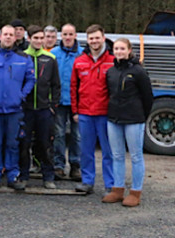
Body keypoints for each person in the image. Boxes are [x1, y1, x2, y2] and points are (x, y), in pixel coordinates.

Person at [0, 25, 35, 191]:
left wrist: (21, 95)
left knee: (13, 144)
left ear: (15, 38)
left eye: (11, 35)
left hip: (15, 110)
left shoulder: (24, 58)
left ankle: (12, 175)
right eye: (6, 34)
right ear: (0, 36)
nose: (8, 37)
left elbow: (31, 79)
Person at [103, 38, 153, 207]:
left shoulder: (138, 71)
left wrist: (142, 116)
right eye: (116, 48)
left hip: (133, 119)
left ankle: (135, 192)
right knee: (117, 155)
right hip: (114, 119)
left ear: (129, 50)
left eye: (122, 48)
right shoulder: (111, 72)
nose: (119, 51)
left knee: (136, 156)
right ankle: (117, 190)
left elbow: (148, 97)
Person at [71, 24, 115, 194]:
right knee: (86, 150)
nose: (94, 41)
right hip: (85, 113)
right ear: (87, 40)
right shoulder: (79, 61)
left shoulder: (112, 61)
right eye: (91, 39)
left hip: (105, 114)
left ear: (103, 38)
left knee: (108, 152)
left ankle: (110, 184)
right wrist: (75, 111)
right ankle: (87, 181)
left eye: (97, 38)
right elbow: (74, 88)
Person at [19, 26, 60, 189]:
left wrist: (52, 106)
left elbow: (56, 85)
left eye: (41, 38)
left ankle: (48, 176)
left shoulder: (50, 58)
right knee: (24, 143)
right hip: (25, 109)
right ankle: (23, 175)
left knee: (45, 144)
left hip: (44, 109)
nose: (38, 41)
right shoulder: (22, 57)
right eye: (35, 38)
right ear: (29, 39)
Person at [50, 24, 83, 180]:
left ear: (75, 35)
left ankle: (75, 166)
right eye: (65, 34)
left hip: (78, 103)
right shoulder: (53, 54)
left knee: (77, 135)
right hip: (59, 102)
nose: (68, 37)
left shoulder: (82, 54)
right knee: (59, 134)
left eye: (70, 34)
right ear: (60, 36)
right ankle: (58, 166)